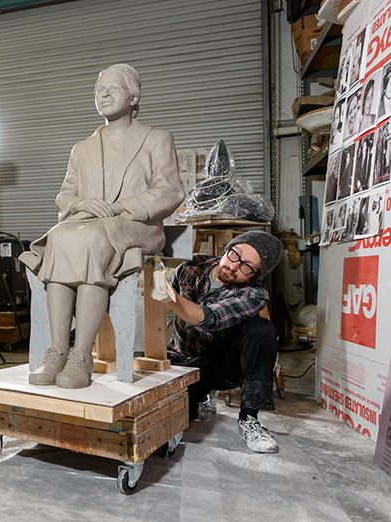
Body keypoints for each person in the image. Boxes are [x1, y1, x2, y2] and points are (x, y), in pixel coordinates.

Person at [19, 63, 185, 389]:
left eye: (113, 88)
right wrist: (81, 204)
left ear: (133, 96)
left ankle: (82, 354)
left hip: (136, 225)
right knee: (58, 237)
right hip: (90, 226)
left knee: (93, 238)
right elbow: (65, 195)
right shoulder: (82, 148)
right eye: (99, 90)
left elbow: (170, 191)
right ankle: (58, 350)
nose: (104, 94)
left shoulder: (156, 139)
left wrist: (122, 206)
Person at [150, 231, 284, 453]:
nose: (234, 266)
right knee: (172, 416)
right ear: (227, 249)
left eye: (247, 267)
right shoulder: (192, 265)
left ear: (254, 276)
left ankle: (249, 418)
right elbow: (162, 310)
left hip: (220, 364)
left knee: (262, 330)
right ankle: (201, 395)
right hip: (183, 360)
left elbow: (209, 318)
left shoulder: (255, 293)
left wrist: (171, 298)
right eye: (235, 254)